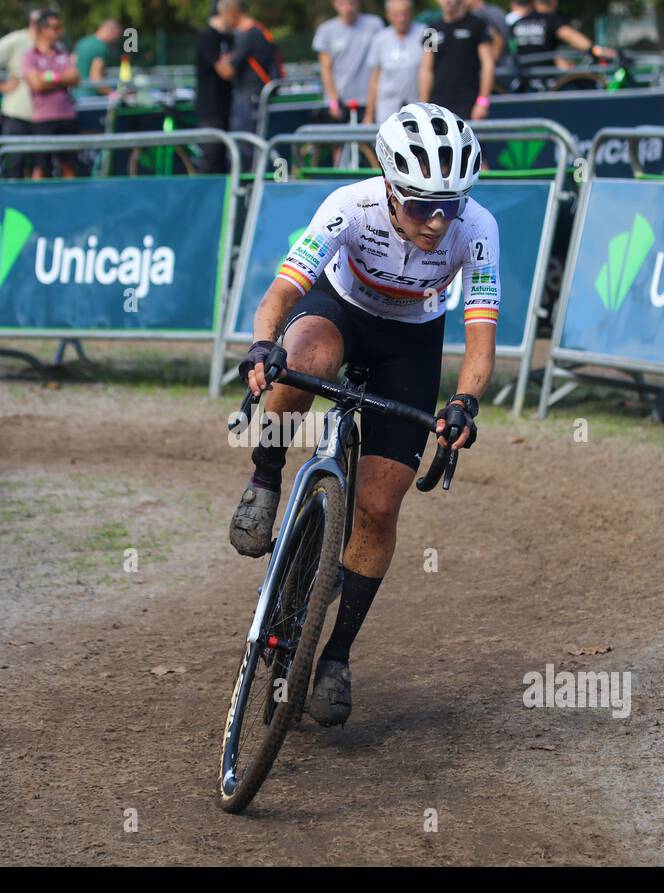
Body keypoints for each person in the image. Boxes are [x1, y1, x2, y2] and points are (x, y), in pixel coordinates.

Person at [230, 102, 499, 726]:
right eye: (422, 206)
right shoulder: (350, 206)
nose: (437, 222)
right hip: (341, 311)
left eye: (450, 206)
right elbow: (282, 291)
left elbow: (481, 334)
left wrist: (464, 402)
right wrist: (265, 343)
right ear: (389, 186)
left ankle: (335, 657)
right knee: (305, 359)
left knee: (380, 505)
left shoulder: (477, 227)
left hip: (411, 341)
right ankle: (265, 478)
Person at [0, 10, 41, 179]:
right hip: (17, 112)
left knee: (41, 163)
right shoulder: (16, 39)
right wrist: (1, 85)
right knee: (14, 160)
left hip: (44, 113)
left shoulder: (53, 42)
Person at [214, 1, 283, 147]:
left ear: (231, 12)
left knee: (244, 147)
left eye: (222, 14)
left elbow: (227, 72)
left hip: (249, 99)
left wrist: (211, 53)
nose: (222, 19)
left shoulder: (246, 34)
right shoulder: (258, 30)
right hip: (255, 96)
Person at [22, 9, 80, 179]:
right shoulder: (29, 56)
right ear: (43, 30)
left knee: (69, 165)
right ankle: (38, 203)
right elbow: (37, 84)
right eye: (55, 28)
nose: (59, 31)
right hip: (43, 119)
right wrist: (61, 78)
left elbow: (75, 78)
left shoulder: (62, 52)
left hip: (67, 116)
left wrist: (48, 76)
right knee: (42, 167)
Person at [418, 0, 498, 121]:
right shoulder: (432, 30)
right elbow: (426, 69)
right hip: (438, 106)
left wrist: (482, 102)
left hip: (469, 104)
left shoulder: (477, 25)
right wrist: (424, 106)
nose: (448, 2)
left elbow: (488, 65)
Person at [314, 0, 384, 122]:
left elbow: (379, 65)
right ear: (334, 4)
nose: (347, 8)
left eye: (351, 3)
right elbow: (325, 69)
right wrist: (334, 102)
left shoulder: (375, 25)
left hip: (368, 101)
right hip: (339, 102)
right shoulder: (326, 30)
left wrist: (371, 108)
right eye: (342, 4)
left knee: (366, 139)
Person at [365, 0, 427, 125]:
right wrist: (369, 114)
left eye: (405, 13)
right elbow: (374, 79)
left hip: (418, 106)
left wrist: (426, 106)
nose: (401, 19)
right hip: (387, 108)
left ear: (412, 13)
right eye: (396, 14)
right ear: (388, 15)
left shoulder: (428, 32)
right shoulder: (379, 39)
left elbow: (432, 69)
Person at [509, 0, 613, 71]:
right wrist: (600, 51)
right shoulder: (551, 21)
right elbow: (576, 39)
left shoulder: (517, 24)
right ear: (554, 2)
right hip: (546, 83)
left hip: (522, 83)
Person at [195, 2, 235, 174]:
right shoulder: (207, 36)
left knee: (223, 161)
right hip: (210, 110)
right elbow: (225, 71)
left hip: (228, 107)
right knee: (210, 158)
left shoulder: (230, 37)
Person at [73, 19, 121, 96]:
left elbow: (72, 65)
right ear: (110, 31)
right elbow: (96, 78)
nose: (115, 39)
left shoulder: (82, 41)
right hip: (91, 97)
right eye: (116, 35)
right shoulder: (101, 47)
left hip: (75, 94)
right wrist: (112, 94)